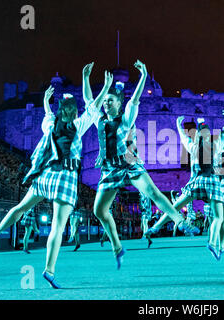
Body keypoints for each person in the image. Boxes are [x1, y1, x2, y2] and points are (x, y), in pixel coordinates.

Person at [0, 64, 106, 288]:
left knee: (20, 207)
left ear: (60, 110)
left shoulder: (50, 125)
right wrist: (103, 86)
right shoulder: (78, 125)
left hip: (45, 175)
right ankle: (49, 270)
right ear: (74, 111)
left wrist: (46, 100)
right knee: (58, 227)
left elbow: (48, 113)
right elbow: (93, 107)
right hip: (65, 178)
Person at [85, 60, 199, 269]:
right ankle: (118, 247)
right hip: (110, 168)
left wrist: (144, 75)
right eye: (105, 102)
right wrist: (85, 79)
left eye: (110, 101)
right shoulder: (99, 120)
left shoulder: (127, 118)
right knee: (99, 211)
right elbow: (88, 101)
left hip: (128, 162)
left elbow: (136, 98)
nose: (106, 103)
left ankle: (181, 222)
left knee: (153, 193)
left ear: (119, 104)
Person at [144, 113, 224, 260]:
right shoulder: (216, 145)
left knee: (175, 206)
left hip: (196, 182)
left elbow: (184, 138)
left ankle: (156, 227)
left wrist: (178, 125)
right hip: (212, 182)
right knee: (218, 217)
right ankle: (212, 242)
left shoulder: (194, 147)